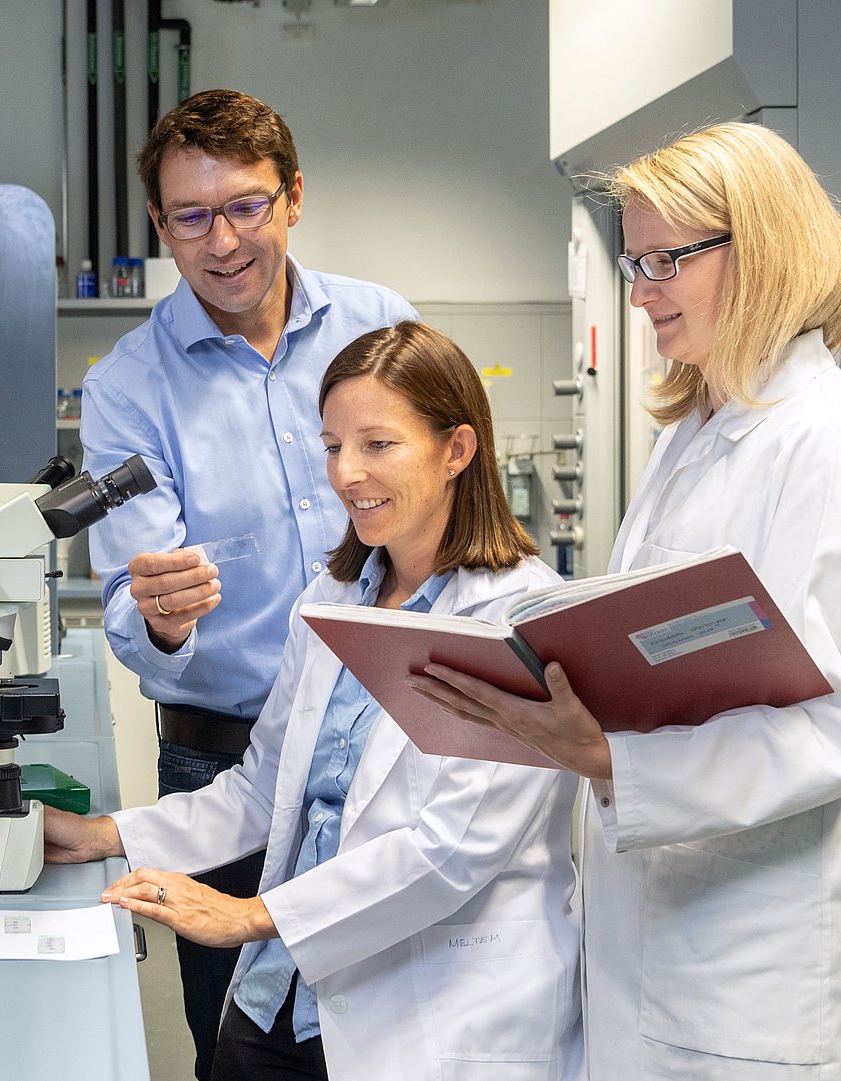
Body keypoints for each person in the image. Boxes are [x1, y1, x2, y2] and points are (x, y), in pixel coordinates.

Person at [409, 122, 841, 1079]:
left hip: (758, 982)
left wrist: (604, 754)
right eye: (633, 260)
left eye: (665, 260)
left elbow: (819, 732)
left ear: (762, 250)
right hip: (650, 952)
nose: (640, 289)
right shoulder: (696, 434)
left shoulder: (831, 448)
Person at [52, 321, 583, 1081]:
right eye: (333, 445)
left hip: (433, 1013)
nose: (346, 473)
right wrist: (103, 834)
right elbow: (262, 789)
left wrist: (250, 915)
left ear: (457, 450)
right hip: (281, 999)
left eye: (378, 444)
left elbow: (453, 845)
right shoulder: (337, 595)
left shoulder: (518, 618)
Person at [80, 88, 415, 1078]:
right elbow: (129, 610)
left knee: (396, 1029)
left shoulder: (379, 328)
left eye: (246, 207)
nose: (222, 241)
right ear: (159, 225)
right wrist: (163, 617)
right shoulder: (128, 385)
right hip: (221, 761)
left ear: (293, 197)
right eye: (192, 216)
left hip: (387, 743)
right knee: (243, 1048)